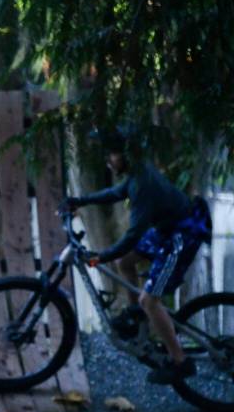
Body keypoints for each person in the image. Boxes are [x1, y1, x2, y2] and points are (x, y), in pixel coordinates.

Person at [65, 127, 212, 384]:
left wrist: (101, 256)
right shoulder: (136, 175)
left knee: (151, 300)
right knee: (126, 262)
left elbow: (132, 236)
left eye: (112, 154)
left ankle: (180, 361)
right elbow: (116, 193)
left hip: (182, 235)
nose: (108, 160)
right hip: (167, 230)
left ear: (126, 155)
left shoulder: (143, 186)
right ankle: (135, 314)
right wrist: (81, 200)